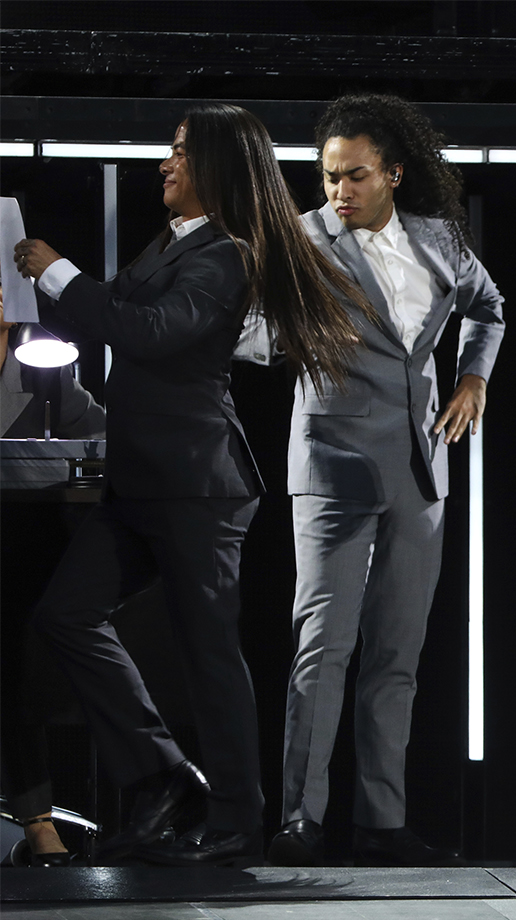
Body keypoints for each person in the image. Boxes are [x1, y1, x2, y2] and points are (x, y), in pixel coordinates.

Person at [14, 103, 361, 866]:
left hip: (199, 487)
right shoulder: (174, 242)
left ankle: (238, 818)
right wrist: (55, 293)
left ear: (214, 166)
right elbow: (116, 315)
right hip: (141, 485)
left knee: (210, 655)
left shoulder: (227, 254)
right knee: (65, 616)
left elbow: (150, 331)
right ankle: (163, 773)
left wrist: (60, 272)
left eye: (178, 152)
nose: (164, 164)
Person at [264, 93, 505, 869]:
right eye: (330, 176)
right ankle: (300, 818)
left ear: (394, 174)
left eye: (356, 176)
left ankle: (381, 817)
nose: (339, 191)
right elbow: (251, 331)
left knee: (396, 655)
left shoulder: (438, 239)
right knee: (321, 650)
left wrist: (472, 377)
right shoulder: (301, 240)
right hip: (334, 467)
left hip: (419, 468)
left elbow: (490, 306)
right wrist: (286, 337)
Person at [0, 288, 105, 866]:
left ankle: (37, 820)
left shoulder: (44, 368)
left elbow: (98, 447)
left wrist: (71, 484)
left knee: (19, 667)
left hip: (23, 548)